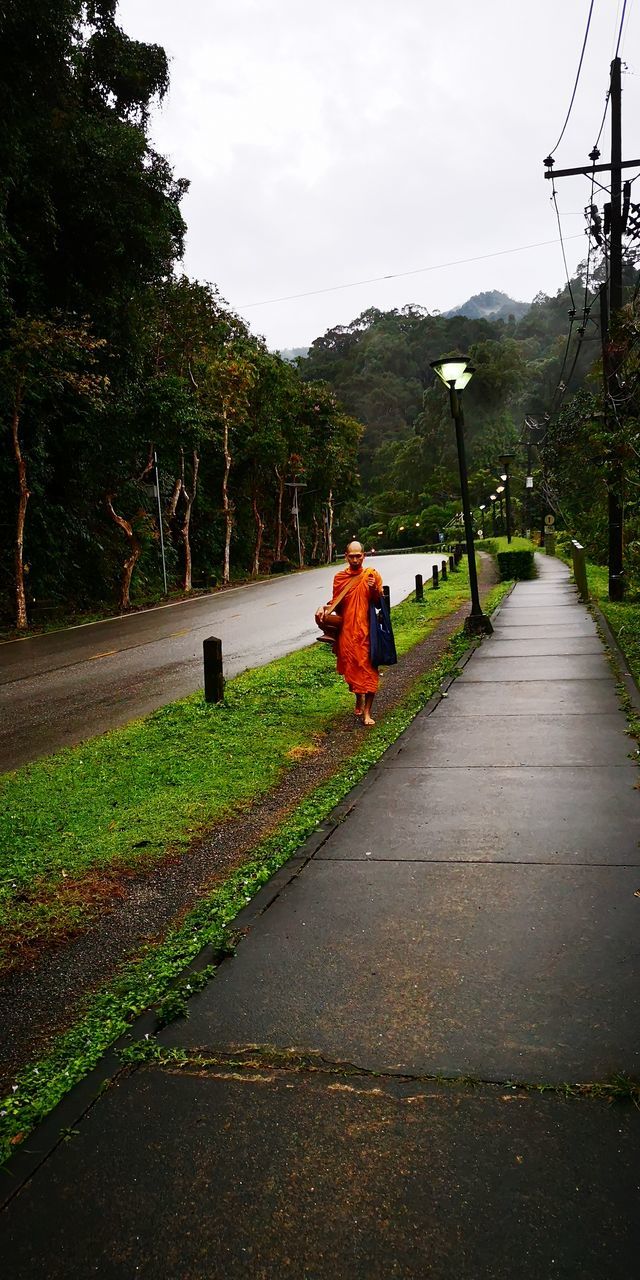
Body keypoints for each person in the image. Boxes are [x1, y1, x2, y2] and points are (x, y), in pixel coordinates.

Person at [318, 541, 383, 726]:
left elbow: (379, 603)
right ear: (346, 557)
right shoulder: (339, 578)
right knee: (352, 668)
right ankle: (358, 698)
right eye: (351, 556)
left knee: (370, 670)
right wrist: (324, 610)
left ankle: (367, 713)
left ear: (364, 556)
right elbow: (336, 602)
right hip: (347, 632)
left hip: (367, 632)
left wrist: (373, 588)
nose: (355, 559)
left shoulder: (372, 575)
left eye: (358, 556)